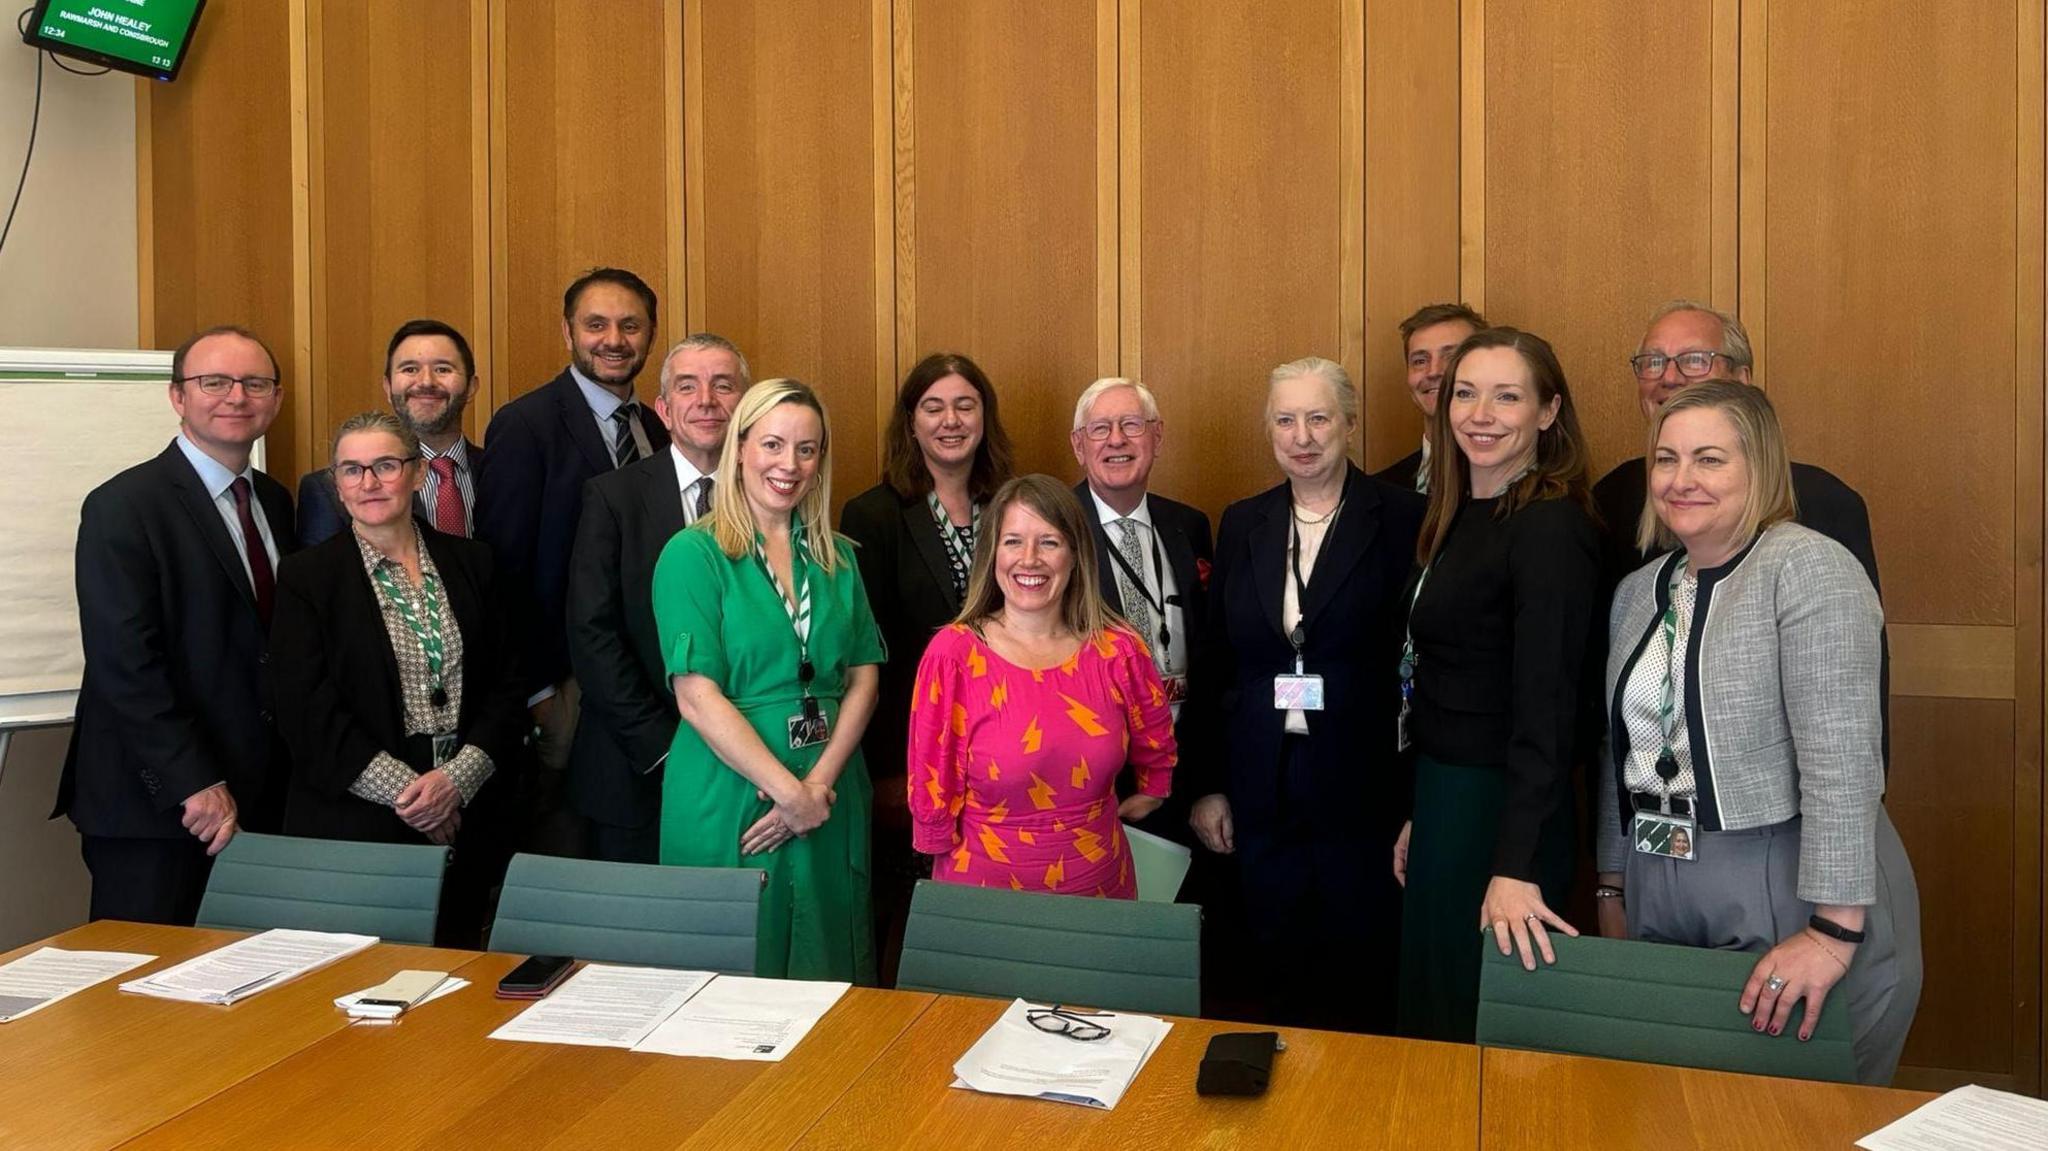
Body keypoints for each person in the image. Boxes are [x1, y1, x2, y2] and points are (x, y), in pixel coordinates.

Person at [1597, 381, 1921, 1085]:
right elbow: (1618, 751)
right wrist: (1612, 886)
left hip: (1795, 874)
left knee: (1795, 1108)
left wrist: (1834, 931)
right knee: (1678, 1102)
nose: (1681, 480)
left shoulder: (1807, 568)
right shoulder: (1638, 589)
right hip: (1663, 872)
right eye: (1666, 459)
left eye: (1709, 459)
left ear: (1760, 467)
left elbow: (1842, 760)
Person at [1186, 357, 1424, 1033]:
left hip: (1364, 789)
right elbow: (1214, 663)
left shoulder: (1404, 517)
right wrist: (1208, 785)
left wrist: (1414, 803)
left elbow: (1424, 664)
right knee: (1274, 975)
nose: (1302, 435)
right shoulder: (1244, 522)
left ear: (1349, 422)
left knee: (1363, 977)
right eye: (1285, 419)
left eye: (1318, 417)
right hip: (1264, 788)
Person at [1394, 327, 1600, 1043]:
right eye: (1467, 393)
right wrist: (1425, 812)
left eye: (1506, 396)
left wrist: (1514, 866)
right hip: (1447, 797)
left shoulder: (1547, 527)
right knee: (1435, 1012)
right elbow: (1455, 674)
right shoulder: (1458, 514)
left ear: (1547, 413)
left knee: (1481, 1027)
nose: (1480, 413)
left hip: (1506, 815)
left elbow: (1546, 711)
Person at [58, 325, 297, 924]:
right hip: (158, 804)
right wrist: (195, 783)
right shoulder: (123, 506)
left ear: (276, 398)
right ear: (177, 396)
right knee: (138, 997)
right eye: (213, 381)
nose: (236, 396)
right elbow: (125, 664)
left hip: (255, 795)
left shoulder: (275, 501)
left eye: (254, 382)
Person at [653, 379, 885, 982]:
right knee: (732, 973)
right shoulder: (692, 554)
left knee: (829, 959)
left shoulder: (839, 557)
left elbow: (863, 679)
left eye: (807, 450)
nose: (789, 465)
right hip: (732, 794)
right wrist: (787, 792)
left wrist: (816, 789)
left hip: (830, 790)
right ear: (740, 446)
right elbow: (697, 697)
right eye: (774, 444)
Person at [1593, 300, 1889, 770]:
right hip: (1655, 808)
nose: (1668, 377)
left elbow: (1844, 737)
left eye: (1693, 359)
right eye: (1653, 361)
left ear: (1743, 380)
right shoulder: (1609, 500)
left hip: (1767, 822)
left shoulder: (1822, 506)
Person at [268, 412, 528, 946]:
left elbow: (508, 685)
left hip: (469, 807)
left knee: (457, 982)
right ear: (335, 485)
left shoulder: (474, 563)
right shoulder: (306, 578)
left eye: (386, 466)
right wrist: (415, 798)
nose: (369, 483)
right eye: (351, 470)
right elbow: (307, 712)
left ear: (415, 474)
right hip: (357, 820)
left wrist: (455, 783)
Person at [472, 267, 670, 856]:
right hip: (564, 685)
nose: (614, 339)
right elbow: (501, 571)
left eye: (630, 325)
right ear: (568, 333)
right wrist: (536, 691)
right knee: (571, 844)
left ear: (650, 335)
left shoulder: (658, 428)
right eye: (596, 324)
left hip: (647, 683)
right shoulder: (525, 425)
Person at [906, 474, 1177, 897]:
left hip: (1098, 884)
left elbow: (1155, 732)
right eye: (1013, 541)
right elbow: (930, 774)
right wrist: (936, 853)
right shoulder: (953, 654)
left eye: (1048, 542)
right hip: (982, 888)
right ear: (992, 553)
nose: (1028, 559)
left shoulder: (1118, 650)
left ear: (1075, 555)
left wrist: (1155, 786)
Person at [838, 352, 1013, 981]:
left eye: (965, 405)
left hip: (1007, 755)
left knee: (996, 923)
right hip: (917, 760)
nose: (950, 420)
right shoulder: (873, 515)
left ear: (985, 418)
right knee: (913, 923)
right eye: (933, 407)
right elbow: (866, 655)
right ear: (910, 423)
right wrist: (886, 771)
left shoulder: (1010, 507)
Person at [566, 334, 748, 863]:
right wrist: (670, 750)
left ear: (747, 404)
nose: (707, 401)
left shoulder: (779, 496)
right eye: (687, 387)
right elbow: (593, 634)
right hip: (637, 769)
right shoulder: (613, 497)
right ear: (663, 410)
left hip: (755, 772)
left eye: (723, 385)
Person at [297, 319, 484, 547]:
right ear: (388, 387)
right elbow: (321, 579)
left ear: (471, 387)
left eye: (443, 369)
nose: (426, 381)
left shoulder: (504, 473)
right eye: (410, 369)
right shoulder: (328, 490)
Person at [1371, 303, 1487, 493]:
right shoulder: (1380, 490)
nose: (1433, 371)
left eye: (1451, 357)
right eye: (1420, 361)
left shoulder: (1528, 488)